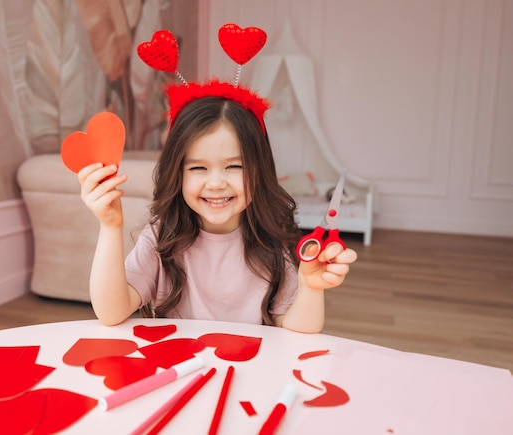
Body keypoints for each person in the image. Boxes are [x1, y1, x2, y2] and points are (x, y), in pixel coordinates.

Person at [77, 92, 358, 333]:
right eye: (198, 168)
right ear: (177, 174)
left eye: (234, 167)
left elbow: (299, 329)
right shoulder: (161, 236)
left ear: (259, 171)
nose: (216, 183)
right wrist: (110, 226)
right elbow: (111, 312)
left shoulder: (270, 242)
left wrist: (311, 287)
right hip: (177, 372)